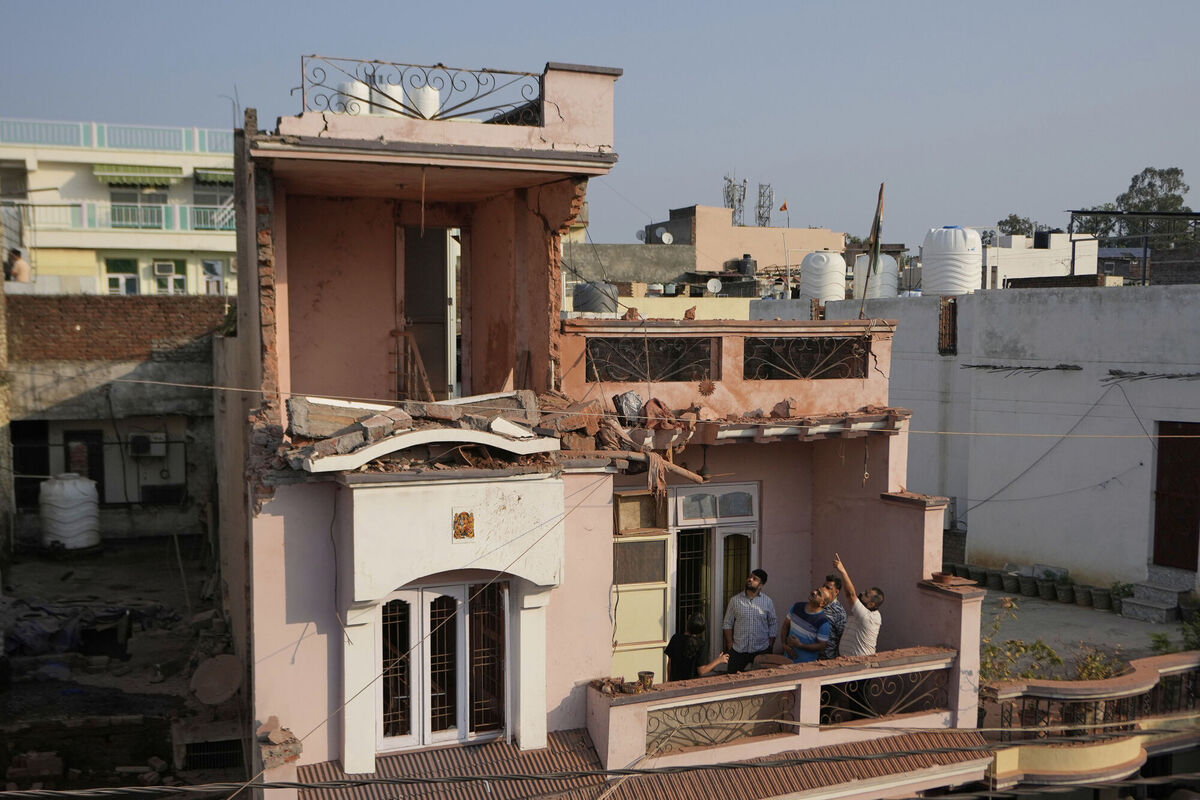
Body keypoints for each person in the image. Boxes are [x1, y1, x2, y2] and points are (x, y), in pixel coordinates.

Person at [722, 568, 777, 673]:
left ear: (761, 585)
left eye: (754, 579)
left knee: (762, 680)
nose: (750, 579)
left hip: (761, 649)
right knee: (732, 680)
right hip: (739, 649)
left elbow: (773, 622)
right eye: (750, 577)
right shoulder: (735, 601)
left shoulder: (767, 602)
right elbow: (727, 623)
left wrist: (770, 644)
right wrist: (730, 644)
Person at [832, 553, 884, 657]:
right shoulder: (863, 611)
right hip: (847, 661)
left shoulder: (869, 617)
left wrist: (843, 571)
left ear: (871, 604)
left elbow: (850, 594)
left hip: (860, 665)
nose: (862, 593)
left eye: (866, 594)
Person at [664, 613, 729, 681]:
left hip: (675, 682)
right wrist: (718, 660)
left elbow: (670, 664)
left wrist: (669, 680)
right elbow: (701, 671)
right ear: (701, 631)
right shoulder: (701, 645)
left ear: (687, 625)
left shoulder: (675, 638)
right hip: (691, 684)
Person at [781, 584, 832, 663]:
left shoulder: (823, 622)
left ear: (822, 603)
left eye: (819, 594)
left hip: (805, 666)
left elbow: (822, 646)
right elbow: (785, 626)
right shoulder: (797, 607)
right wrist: (784, 645)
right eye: (816, 590)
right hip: (787, 659)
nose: (814, 592)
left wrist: (800, 645)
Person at [820, 572, 847, 659]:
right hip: (810, 655)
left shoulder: (839, 612)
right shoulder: (817, 603)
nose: (824, 589)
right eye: (823, 586)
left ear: (836, 592)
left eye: (828, 588)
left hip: (826, 658)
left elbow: (842, 638)